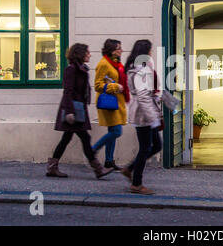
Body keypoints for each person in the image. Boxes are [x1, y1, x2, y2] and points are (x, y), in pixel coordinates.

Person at [46, 43, 113, 179]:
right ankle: (98, 169)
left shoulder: (81, 69)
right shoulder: (71, 70)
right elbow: (68, 91)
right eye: (87, 52)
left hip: (78, 109)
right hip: (73, 110)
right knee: (85, 138)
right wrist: (70, 112)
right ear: (80, 54)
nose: (89, 54)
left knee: (67, 138)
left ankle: (52, 167)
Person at [121, 39, 162, 195]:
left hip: (141, 111)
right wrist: (153, 118)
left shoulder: (135, 68)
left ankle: (129, 169)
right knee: (145, 148)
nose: (151, 53)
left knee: (156, 145)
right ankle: (136, 184)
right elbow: (143, 96)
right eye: (150, 50)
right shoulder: (142, 70)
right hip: (143, 114)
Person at [92, 39, 129, 169]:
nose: (121, 50)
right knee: (116, 131)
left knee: (113, 130)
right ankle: (93, 149)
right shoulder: (103, 64)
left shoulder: (116, 64)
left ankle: (109, 161)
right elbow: (97, 85)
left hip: (116, 102)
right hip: (108, 102)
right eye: (119, 48)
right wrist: (114, 86)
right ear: (112, 50)